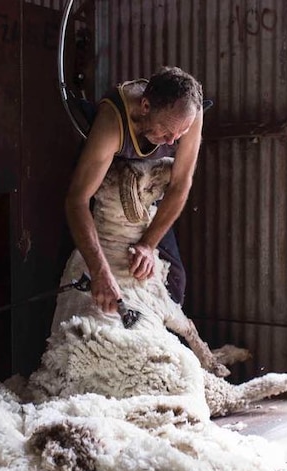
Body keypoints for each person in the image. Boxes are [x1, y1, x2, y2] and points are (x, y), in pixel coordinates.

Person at [65, 66, 204, 315]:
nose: (173, 141)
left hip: (148, 190)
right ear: (146, 106)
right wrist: (99, 271)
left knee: (175, 281)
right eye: (167, 131)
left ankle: (158, 347)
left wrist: (148, 245)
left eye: (180, 134)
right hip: (110, 183)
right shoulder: (111, 123)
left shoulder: (187, 115)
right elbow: (77, 200)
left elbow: (181, 182)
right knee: (84, 270)